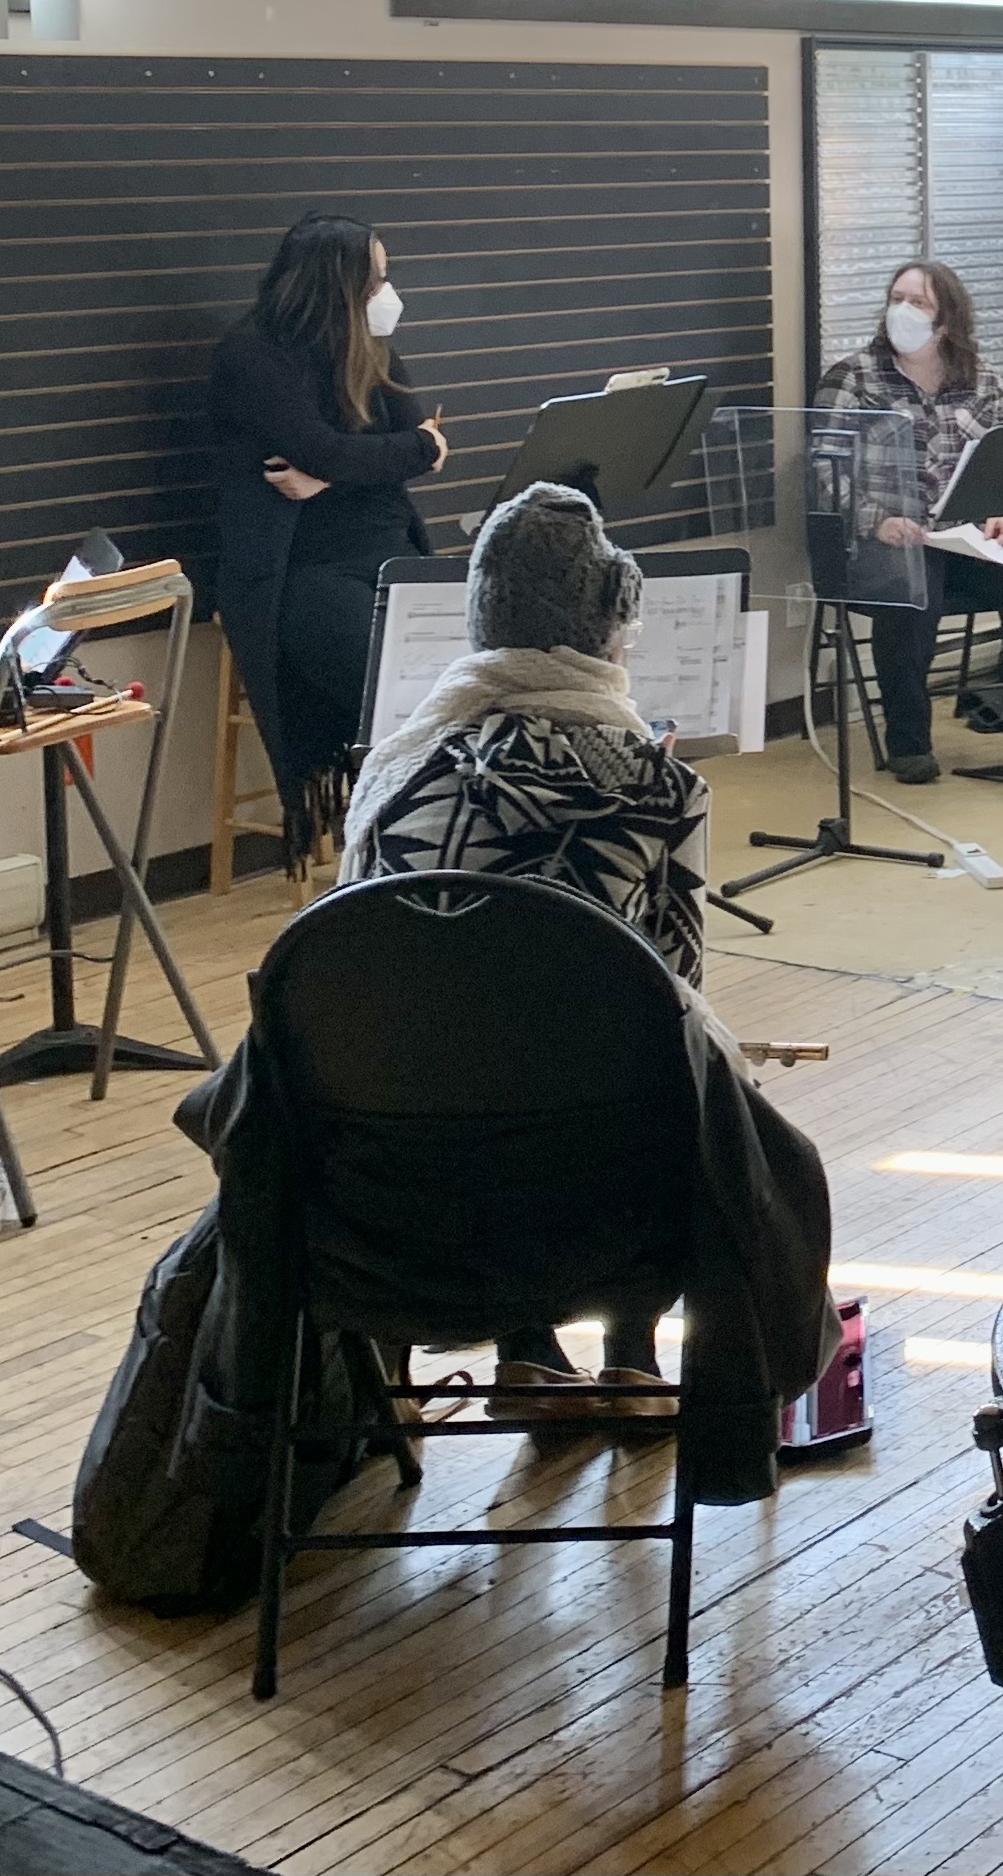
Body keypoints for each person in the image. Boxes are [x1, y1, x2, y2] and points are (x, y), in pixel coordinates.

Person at [340, 480, 709, 1401]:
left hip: (383, 1191)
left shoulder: (387, 775)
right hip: (585, 1194)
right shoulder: (657, 787)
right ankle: (632, 1354)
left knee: (465, 1043)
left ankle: (526, 1346)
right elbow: (677, 994)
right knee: (677, 1073)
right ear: (610, 625)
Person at [210, 212, 449, 858]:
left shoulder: (368, 343)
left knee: (458, 669)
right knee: (394, 691)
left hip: (391, 550)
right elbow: (354, 448)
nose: (386, 293)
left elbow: (422, 446)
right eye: (375, 281)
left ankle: (439, 835)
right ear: (335, 286)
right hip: (300, 570)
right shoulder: (253, 356)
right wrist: (362, 459)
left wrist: (332, 474)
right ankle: (404, 839)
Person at [821, 261, 1003, 781]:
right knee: (915, 585)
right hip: (887, 541)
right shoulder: (853, 377)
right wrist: (877, 521)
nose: (902, 310)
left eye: (918, 302)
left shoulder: (981, 377)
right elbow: (822, 469)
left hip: (966, 535)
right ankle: (909, 744)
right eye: (896, 298)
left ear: (947, 320)